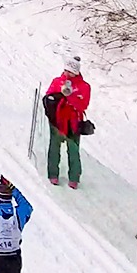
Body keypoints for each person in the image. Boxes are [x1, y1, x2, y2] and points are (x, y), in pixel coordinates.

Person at [43, 58, 92, 187]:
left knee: (73, 149)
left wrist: (70, 97)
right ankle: (53, 174)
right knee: (54, 148)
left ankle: (74, 178)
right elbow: (48, 97)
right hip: (57, 120)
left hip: (74, 121)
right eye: (66, 70)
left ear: (76, 72)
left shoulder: (84, 86)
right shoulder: (57, 81)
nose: (67, 74)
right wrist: (59, 97)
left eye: (71, 72)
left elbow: (83, 105)